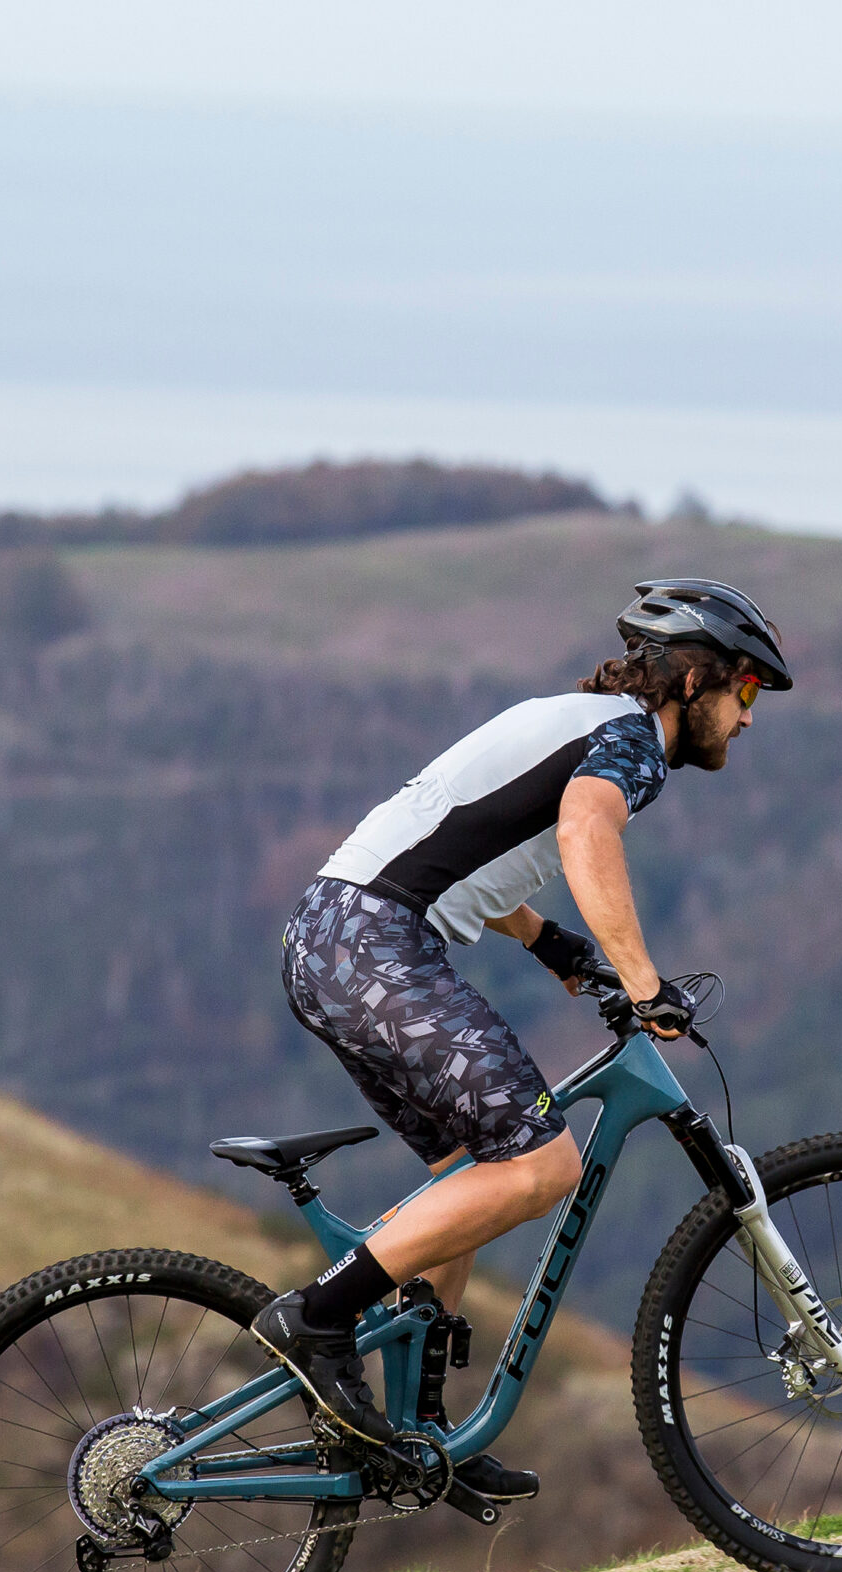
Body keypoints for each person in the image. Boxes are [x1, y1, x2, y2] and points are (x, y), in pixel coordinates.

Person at [252, 579, 791, 1510]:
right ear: (696, 679)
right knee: (542, 1167)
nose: (748, 721)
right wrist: (642, 980)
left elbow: (466, 847)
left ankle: (422, 1437)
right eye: (746, 693)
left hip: (337, 938)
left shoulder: (580, 722)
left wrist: (553, 946)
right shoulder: (629, 741)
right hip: (371, 942)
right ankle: (316, 1317)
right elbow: (587, 834)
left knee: (470, 1170)